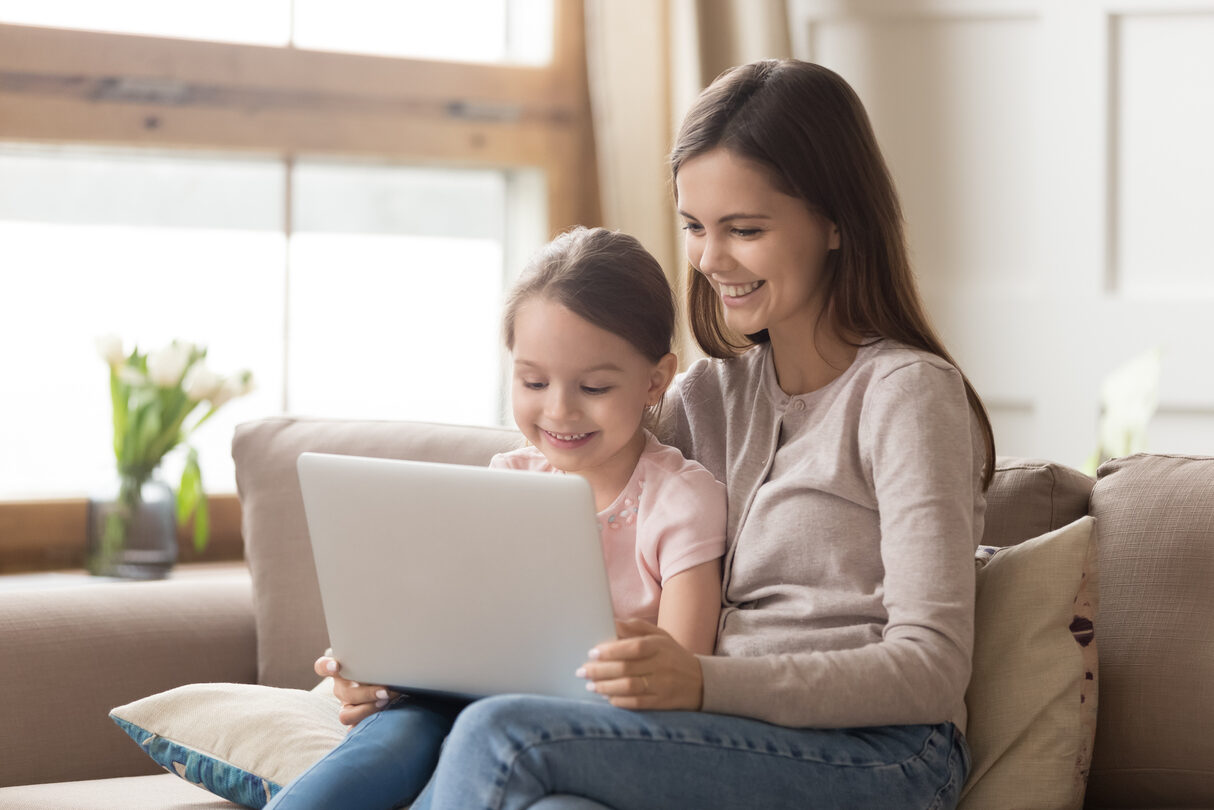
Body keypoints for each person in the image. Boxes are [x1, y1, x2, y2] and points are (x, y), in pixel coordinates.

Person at [391, 58, 996, 809]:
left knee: (506, 737)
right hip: (716, 732)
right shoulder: (707, 395)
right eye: (694, 227)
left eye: (744, 229)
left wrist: (704, 680)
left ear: (837, 221)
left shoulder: (907, 396)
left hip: (882, 753)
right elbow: (570, 498)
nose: (710, 260)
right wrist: (407, 666)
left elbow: (931, 667)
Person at [264, 227, 728, 810]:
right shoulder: (506, 478)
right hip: (461, 699)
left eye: (594, 386)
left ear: (656, 380)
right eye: (533, 381)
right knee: (390, 740)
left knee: (461, 752)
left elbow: (685, 673)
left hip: (568, 732)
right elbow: (450, 622)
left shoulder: (680, 501)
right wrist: (379, 668)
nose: (558, 408)